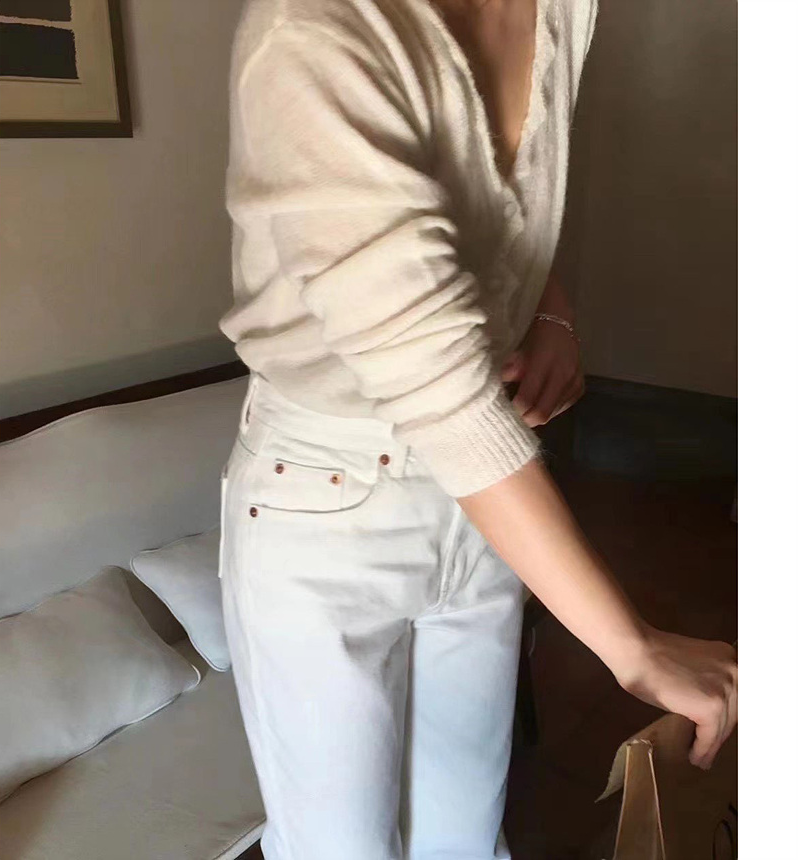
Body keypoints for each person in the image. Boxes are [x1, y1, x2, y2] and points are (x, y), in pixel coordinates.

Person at [217, 0, 738, 857]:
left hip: (487, 493)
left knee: (465, 837)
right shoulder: (314, 27)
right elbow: (436, 387)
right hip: (326, 497)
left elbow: (493, 219)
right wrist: (634, 647)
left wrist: (550, 313)